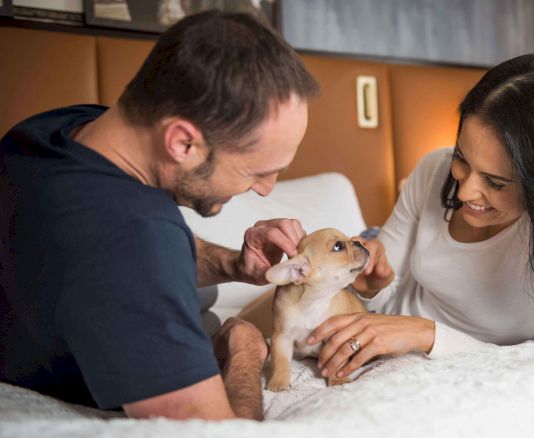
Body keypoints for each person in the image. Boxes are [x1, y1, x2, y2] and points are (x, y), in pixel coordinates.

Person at [0, 11, 318, 420]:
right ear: (182, 142)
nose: (266, 189)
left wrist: (233, 265)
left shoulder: (53, 131)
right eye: (257, 171)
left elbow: (113, 268)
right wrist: (246, 350)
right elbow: (215, 436)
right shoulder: (133, 237)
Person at [308, 54, 534, 381]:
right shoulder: (433, 171)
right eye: (462, 159)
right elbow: (388, 296)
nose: (465, 192)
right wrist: (372, 289)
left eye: (495, 182)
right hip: (390, 325)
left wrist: (430, 335)